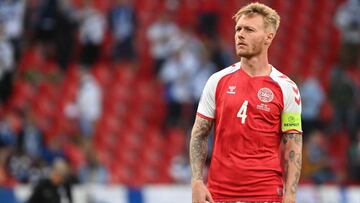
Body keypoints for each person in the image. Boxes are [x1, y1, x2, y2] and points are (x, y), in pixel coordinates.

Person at [189, 3, 302, 203]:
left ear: (269, 37)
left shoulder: (286, 88)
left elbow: (293, 143)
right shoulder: (217, 81)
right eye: (238, 29)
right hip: (219, 194)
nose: (240, 34)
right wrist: (197, 181)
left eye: (249, 30)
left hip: (265, 193)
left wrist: (291, 194)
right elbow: (199, 134)